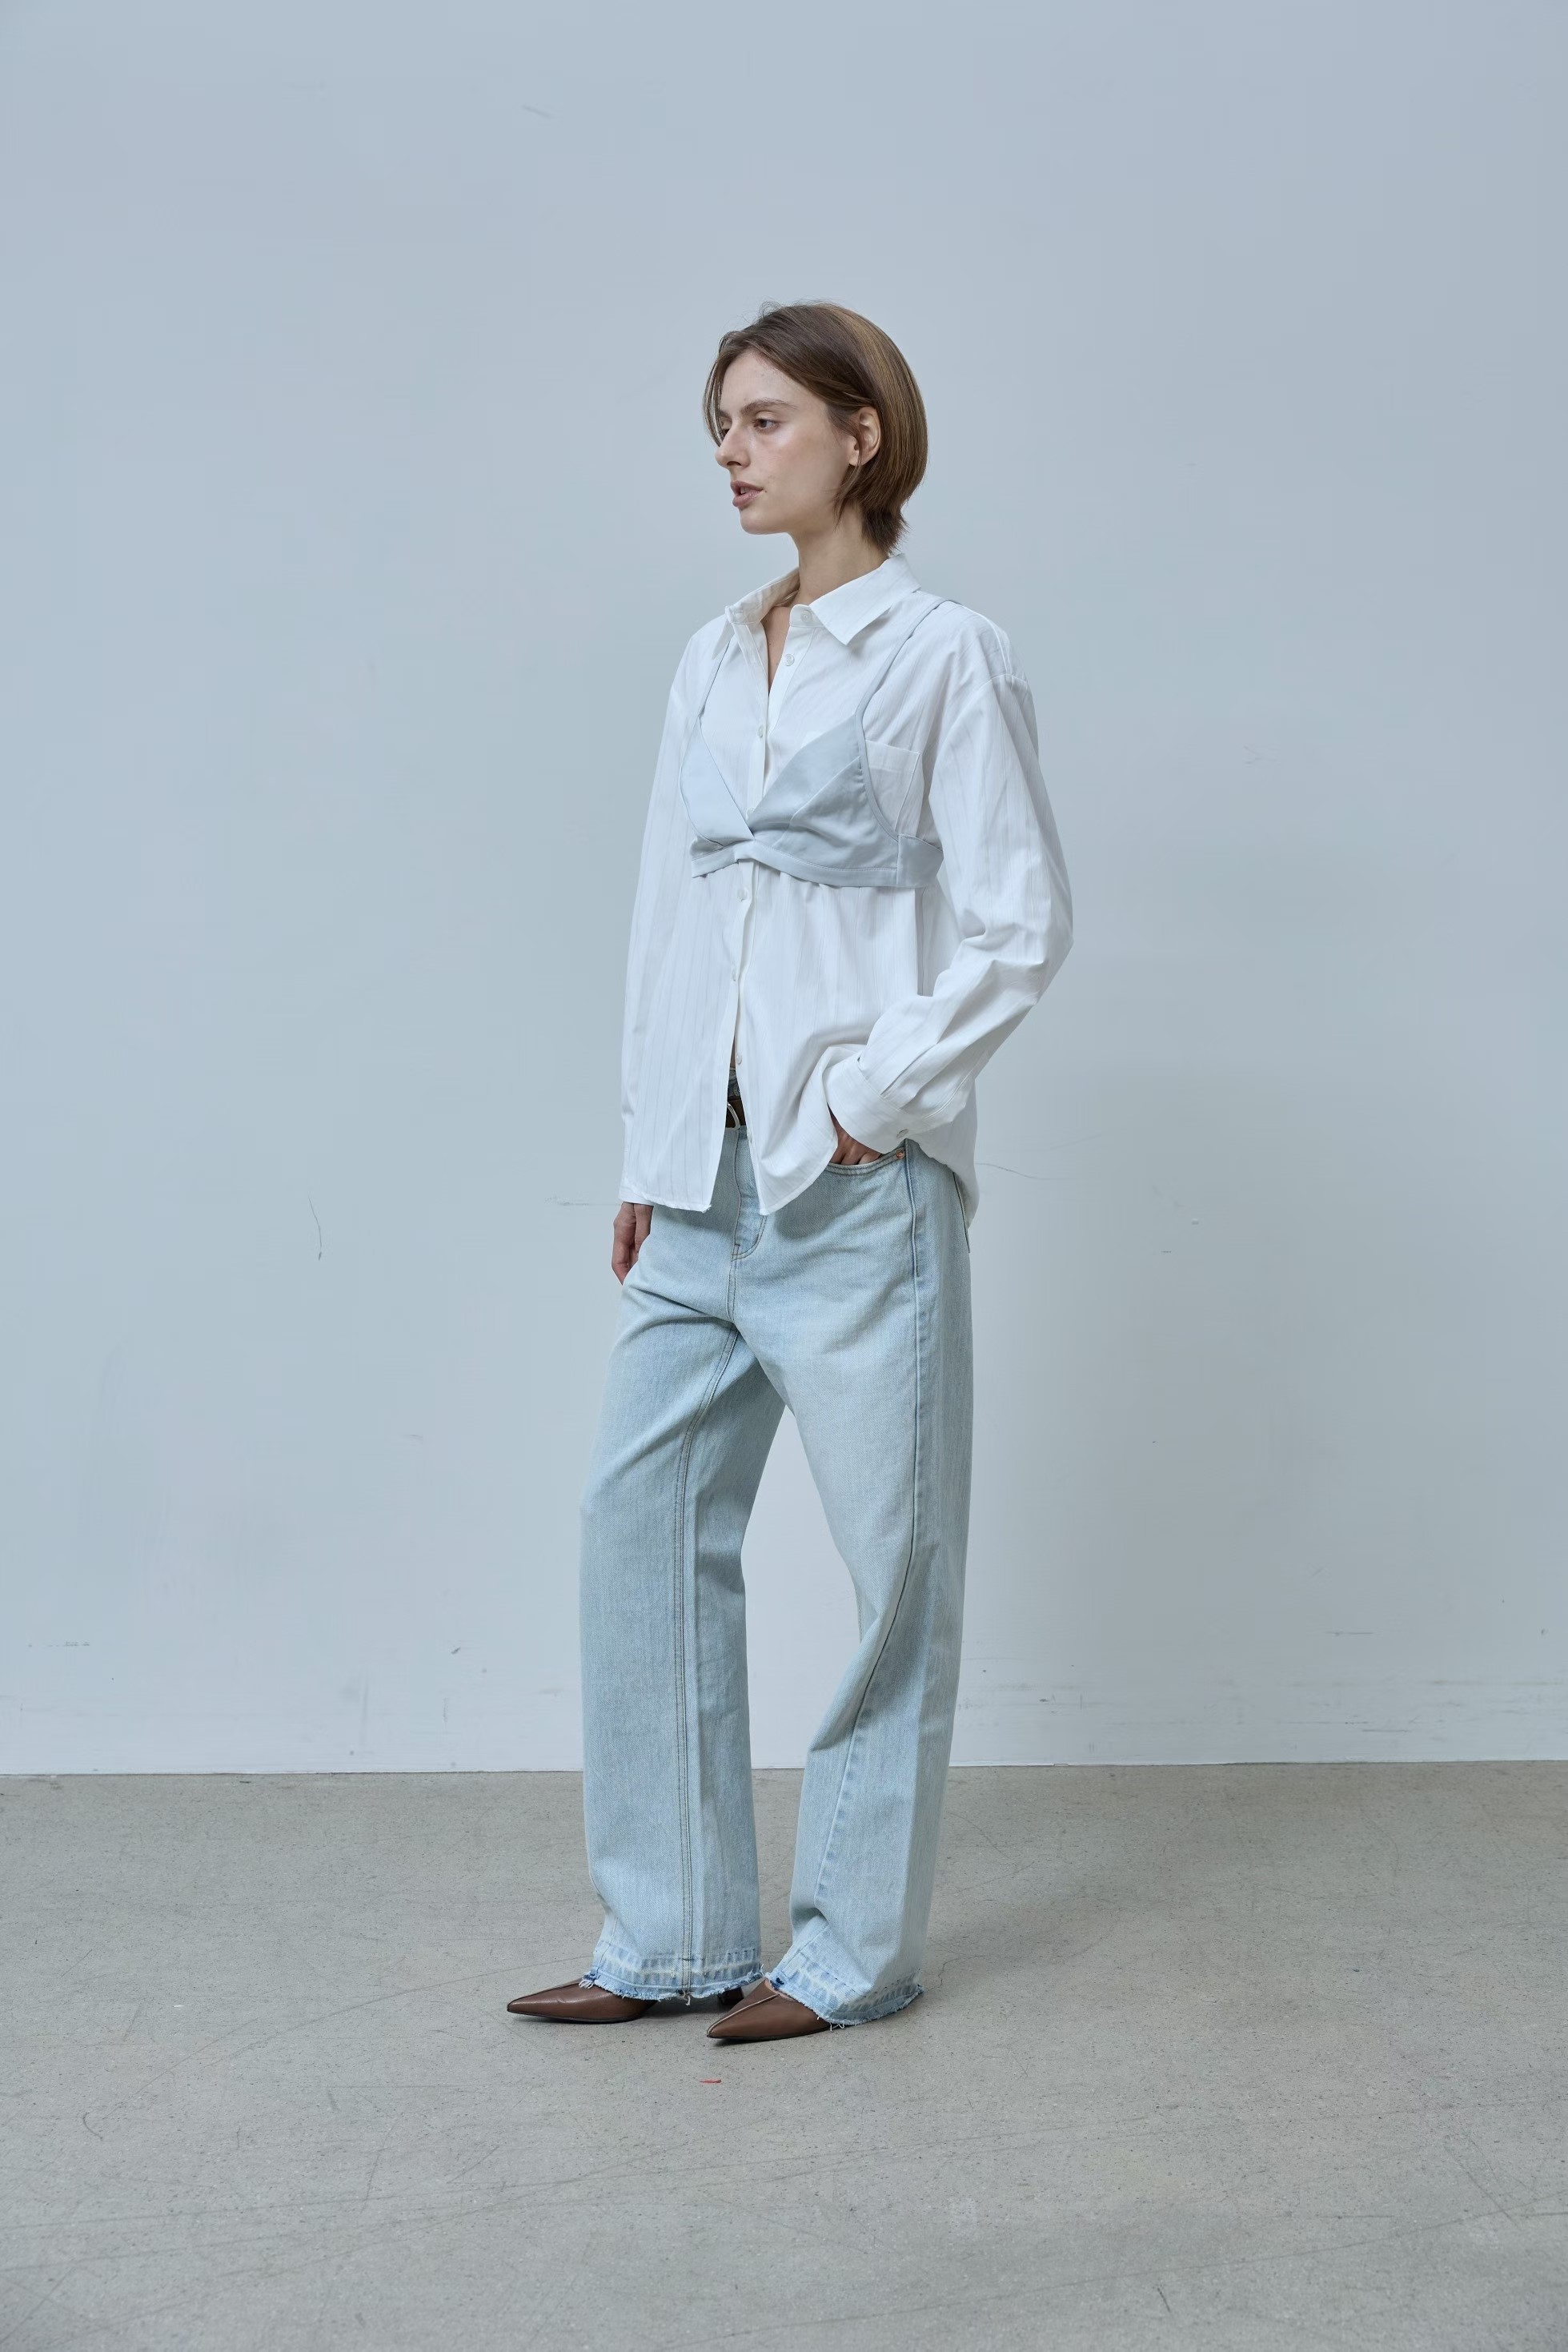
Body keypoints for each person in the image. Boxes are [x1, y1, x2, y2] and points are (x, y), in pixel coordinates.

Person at [507, 301, 1073, 2043]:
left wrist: (872, 1103)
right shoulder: (708, 656)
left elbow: (1019, 920)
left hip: (854, 1190)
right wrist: (649, 1139)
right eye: (721, 426)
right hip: (700, 1180)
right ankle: (670, 1930)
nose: (732, 452)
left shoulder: (942, 653)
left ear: (859, 433)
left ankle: (844, 1952)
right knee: (639, 1525)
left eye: (763, 420)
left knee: (893, 1569)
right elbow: (665, 915)